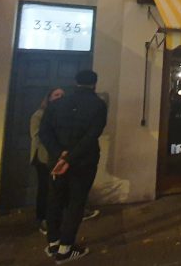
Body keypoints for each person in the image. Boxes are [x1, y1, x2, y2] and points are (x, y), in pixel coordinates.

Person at [40, 70, 107, 264]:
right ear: (94, 84)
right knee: (76, 203)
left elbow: (44, 132)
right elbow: (92, 135)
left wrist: (59, 154)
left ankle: (53, 242)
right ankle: (65, 248)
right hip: (83, 161)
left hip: (58, 161)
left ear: (76, 82)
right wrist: (70, 158)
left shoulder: (57, 104)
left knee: (54, 200)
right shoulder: (98, 105)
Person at [30, 87, 65, 235]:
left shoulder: (62, 114)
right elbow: (37, 135)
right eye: (56, 95)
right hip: (43, 156)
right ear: (49, 98)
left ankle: (55, 215)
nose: (60, 97)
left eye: (62, 95)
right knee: (45, 187)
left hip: (57, 156)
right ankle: (42, 218)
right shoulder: (39, 115)